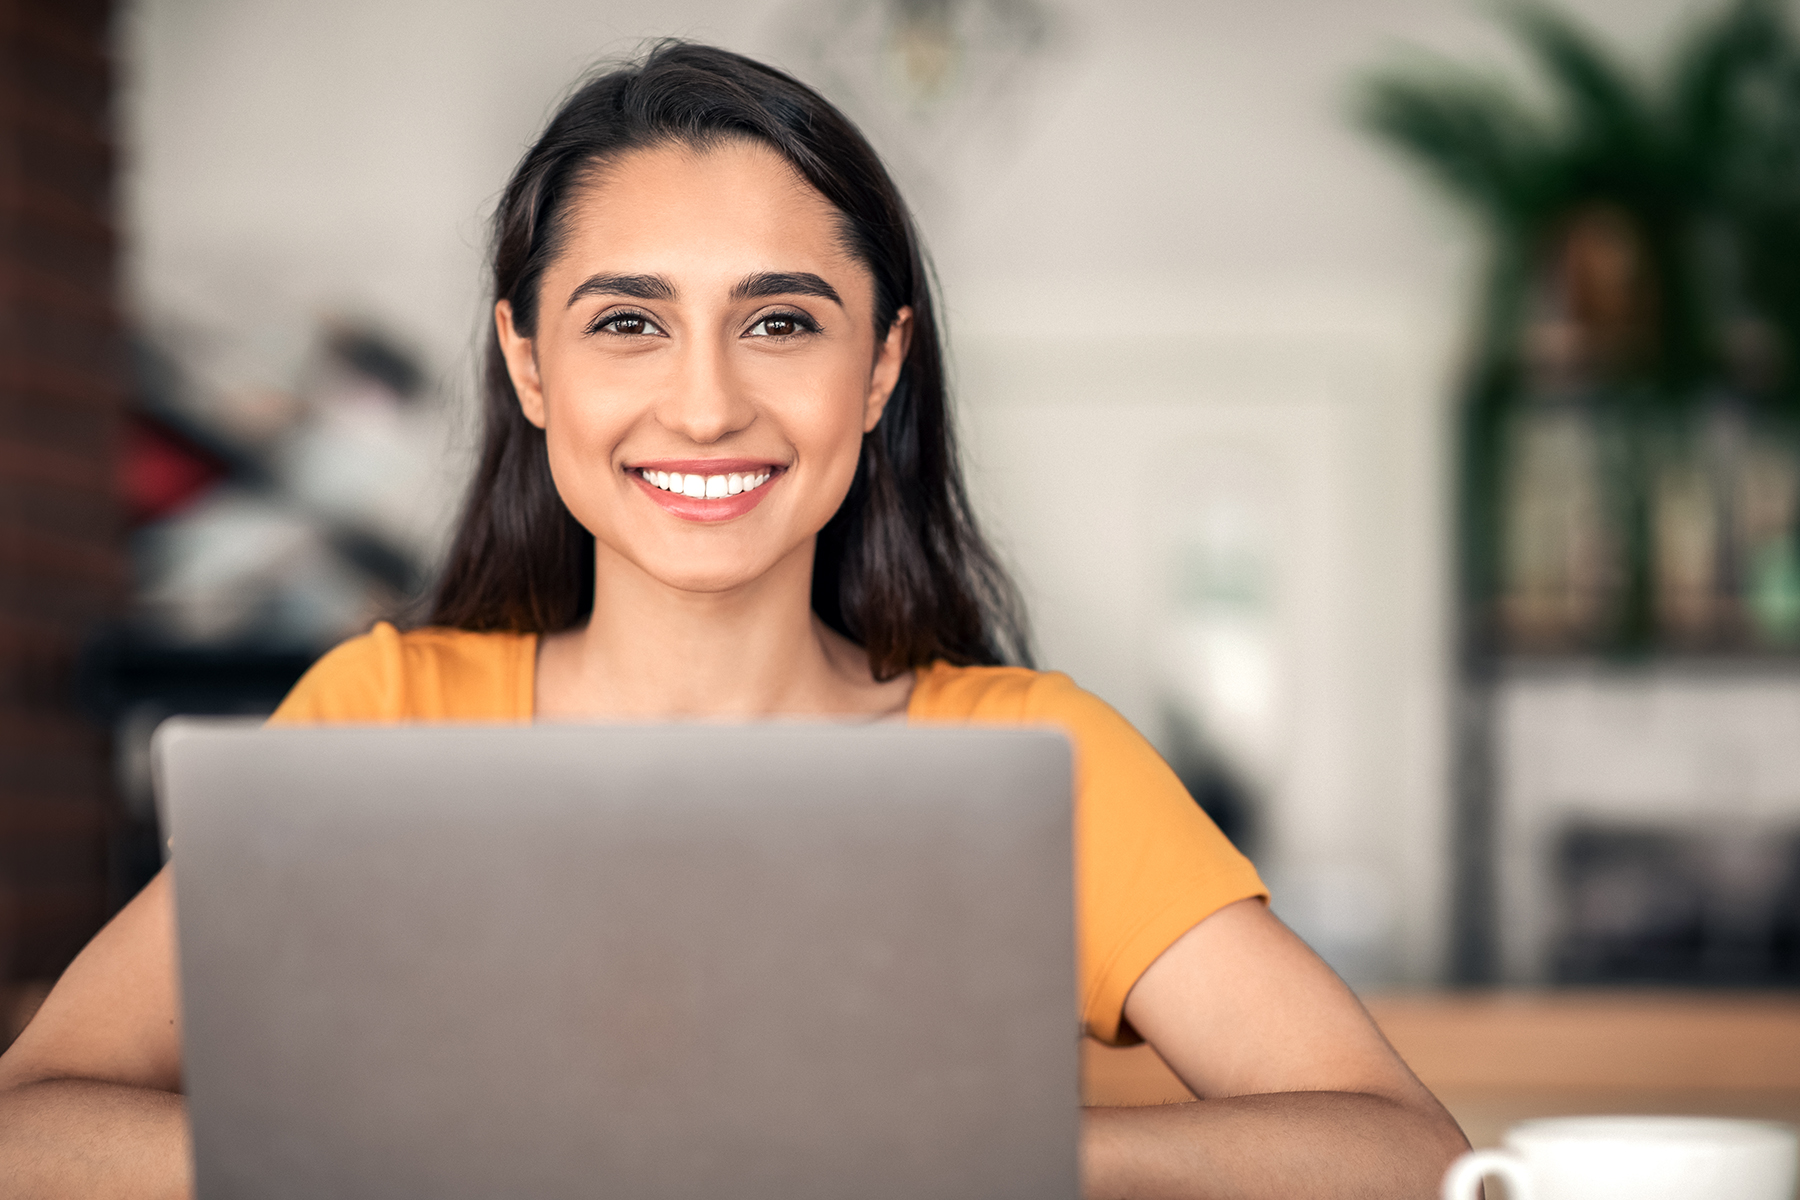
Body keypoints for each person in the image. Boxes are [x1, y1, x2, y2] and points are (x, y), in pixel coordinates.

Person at [0, 42, 1467, 1199]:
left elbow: (1413, 1160)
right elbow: (30, 1132)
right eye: (626, 321)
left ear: (882, 367)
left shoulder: (1038, 762)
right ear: (528, 363)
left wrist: (970, 1171)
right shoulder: (384, 720)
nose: (705, 403)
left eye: (782, 320)